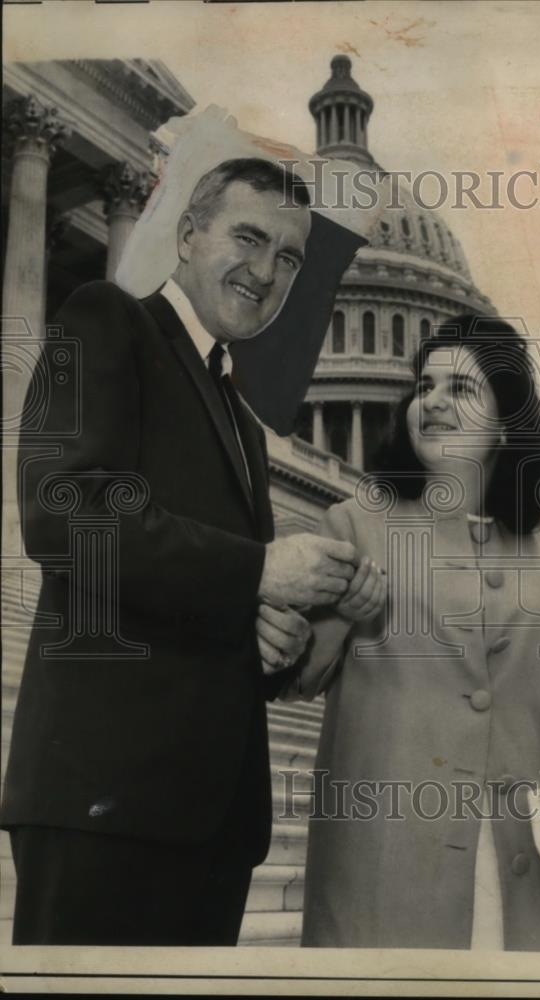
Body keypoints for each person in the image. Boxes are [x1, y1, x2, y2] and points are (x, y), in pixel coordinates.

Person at [1, 157, 361, 946]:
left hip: (212, 823)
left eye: (289, 257)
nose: (265, 271)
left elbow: (210, 592)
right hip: (105, 805)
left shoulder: (237, 413)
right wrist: (258, 570)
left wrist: (270, 634)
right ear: (190, 236)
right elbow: (63, 515)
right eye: (248, 236)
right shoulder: (100, 317)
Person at [274, 314, 540, 951]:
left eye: (461, 389)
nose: (433, 402)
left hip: (519, 874)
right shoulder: (355, 524)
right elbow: (300, 676)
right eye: (425, 386)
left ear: (504, 425)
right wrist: (350, 610)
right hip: (385, 873)